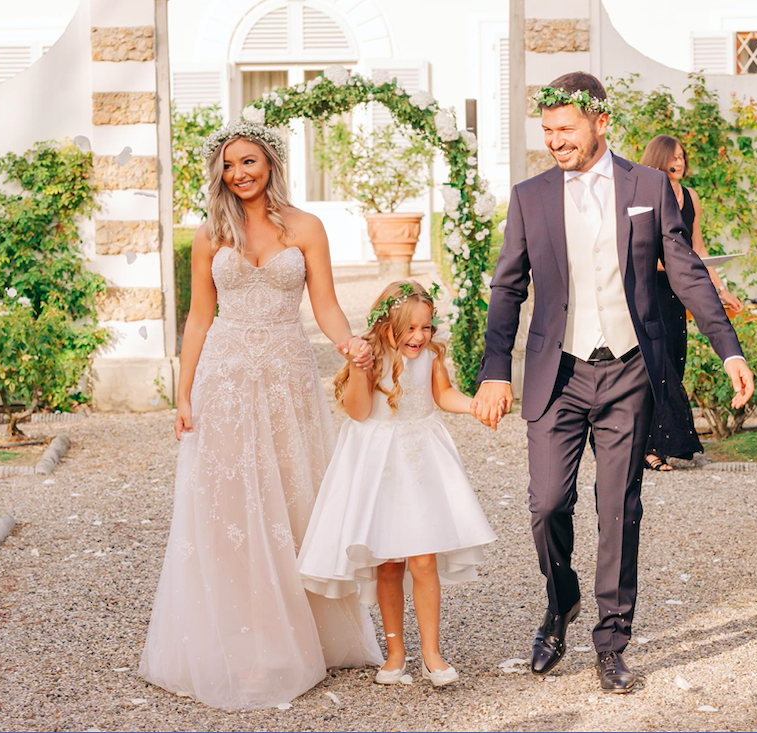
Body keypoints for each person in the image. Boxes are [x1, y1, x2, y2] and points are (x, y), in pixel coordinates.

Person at [472, 72, 754, 693]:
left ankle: (611, 639)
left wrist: (727, 349)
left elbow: (686, 273)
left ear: (601, 123)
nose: (554, 141)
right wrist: (495, 370)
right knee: (546, 504)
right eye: (546, 131)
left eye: (565, 130)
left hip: (628, 369)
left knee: (618, 509)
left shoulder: (649, 186)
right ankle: (561, 599)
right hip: (558, 372)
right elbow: (508, 286)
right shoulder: (530, 195)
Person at [138, 121, 382, 710]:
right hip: (224, 375)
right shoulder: (208, 235)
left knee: (293, 495)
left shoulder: (306, 228)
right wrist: (184, 393)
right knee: (229, 504)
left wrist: (351, 344)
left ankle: (310, 634)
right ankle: (240, 637)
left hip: (285, 376)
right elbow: (198, 318)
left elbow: (324, 305)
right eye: (229, 166)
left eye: (249, 162)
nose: (239, 174)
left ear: (270, 162)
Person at [296, 281, 497, 688]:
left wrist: (473, 405)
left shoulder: (431, 356)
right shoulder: (368, 358)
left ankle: (431, 653)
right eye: (411, 329)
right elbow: (357, 411)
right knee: (388, 563)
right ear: (387, 325)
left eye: (426, 327)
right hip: (378, 465)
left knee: (423, 559)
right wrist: (358, 370)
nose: (420, 337)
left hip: (420, 461)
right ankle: (395, 653)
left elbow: (442, 395)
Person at [638, 135, 744, 471]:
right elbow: (638, 250)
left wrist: (720, 289)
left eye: (683, 156)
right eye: (674, 157)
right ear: (658, 158)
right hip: (648, 290)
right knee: (655, 367)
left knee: (675, 364)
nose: (680, 162)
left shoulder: (691, 197)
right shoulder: (645, 192)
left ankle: (667, 445)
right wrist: (673, 263)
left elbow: (697, 250)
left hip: (678, 292)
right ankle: (649, 448)